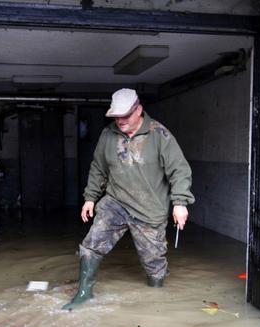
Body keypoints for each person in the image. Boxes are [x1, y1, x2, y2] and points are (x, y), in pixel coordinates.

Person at [63, 88, 194, 310]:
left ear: (139, 110)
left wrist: (180, 203)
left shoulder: (159, 135)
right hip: (116, 202)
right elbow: (98, 168)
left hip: (149, 209)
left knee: (153, 263)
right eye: (116, 116)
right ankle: (84, 293)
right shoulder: (108, 135)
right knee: (92, 244)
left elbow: (179, 170)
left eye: (125, 116)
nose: (120, 121)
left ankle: (157, 297)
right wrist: (90, 198)